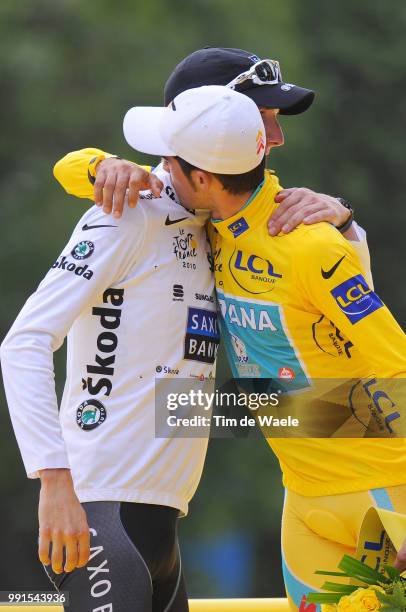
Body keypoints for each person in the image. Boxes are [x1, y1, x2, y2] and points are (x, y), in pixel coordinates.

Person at [121, 84, 406, 611]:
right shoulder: (207, 223)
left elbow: (397, 363)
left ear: (203, 178)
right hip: (303, 497)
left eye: (169, 161)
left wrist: (342, 222)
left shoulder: (309, 241)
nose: (159, 169)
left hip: (385, 488)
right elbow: (68, 169)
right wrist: (103, 170)